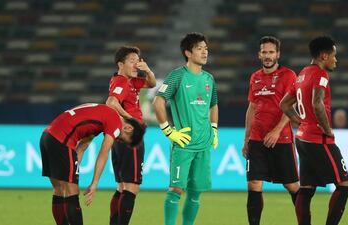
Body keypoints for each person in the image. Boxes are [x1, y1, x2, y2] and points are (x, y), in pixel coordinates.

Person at [280, 36, 348, 225]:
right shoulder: (321, 75)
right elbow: (317, 102)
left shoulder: (302, 73)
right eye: (334, 56)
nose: (335, 60)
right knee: (345, 184)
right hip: (318, 139)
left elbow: (284, 104)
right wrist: (328, 130)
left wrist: (301, 121)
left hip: (302, 138)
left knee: (306, 188)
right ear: (323, 55)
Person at [40, 103, 145, 225]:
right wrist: (94, 184)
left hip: (47, 137)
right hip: (61, 140)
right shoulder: (116, 122)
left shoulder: (102, 114)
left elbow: (82, 147)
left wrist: (73, 169)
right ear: (128, 128)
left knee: (59, 190)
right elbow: (103, 153)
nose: (118, 139)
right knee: (72, 191)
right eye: (122, 138)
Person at [152, 32, 218, 225]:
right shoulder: (177, 76)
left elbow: (213, 105)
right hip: (184, 143)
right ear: (188, 53)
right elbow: (158, 101)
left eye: (206, 48)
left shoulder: (209, 79)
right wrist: (168, 130)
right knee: (176, 190)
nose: (205, 52)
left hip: (204, 144)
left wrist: (214, 129)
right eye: (200, 48)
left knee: (196, 193)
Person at [242, 36, 299, 225]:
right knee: (254, 184)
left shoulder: (289, 75)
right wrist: (246, 139)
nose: (268, 56)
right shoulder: (255, 77)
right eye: (264, 52)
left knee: (291, 185)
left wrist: (276, 131)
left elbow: (291, 106)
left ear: (278, 54)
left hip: (281, 138)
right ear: (259, 55)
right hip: (257, 139)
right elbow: (251, 108)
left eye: (271, 52)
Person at [105, 46, 156, 225]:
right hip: (130, 138)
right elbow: (111, 103)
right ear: (120, 64)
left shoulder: (130, 81)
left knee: (122, 187)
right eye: (132, 61)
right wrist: (132, 119)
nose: (136, 64)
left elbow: (152, 83)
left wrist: (147, 70)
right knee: (132, 187)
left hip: (120, 137)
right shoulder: (121, 81)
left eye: (138, 60)